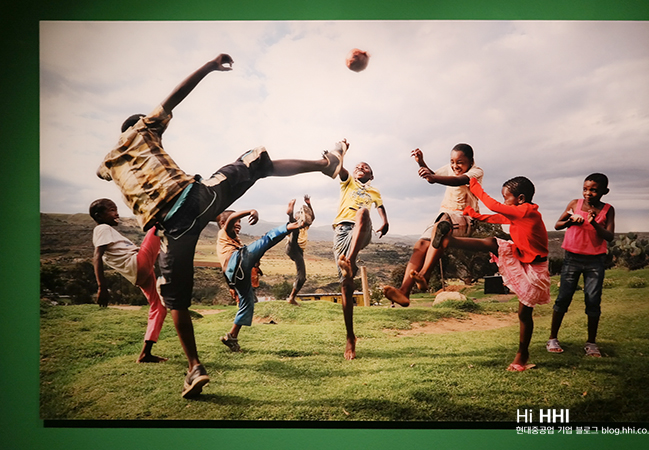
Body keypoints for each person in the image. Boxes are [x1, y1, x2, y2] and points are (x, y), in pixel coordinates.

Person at [96, 53, 347, 398]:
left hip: (169, 230)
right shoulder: (144, 127)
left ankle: (194, 367)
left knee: (176, 304)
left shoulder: (108, 161)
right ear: (140, 124)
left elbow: (104, 170)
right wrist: (210, 66)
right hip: (194, 199)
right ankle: (325, 164)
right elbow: (175, 96)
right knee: (256, 162)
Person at [450, 176, 551, 371]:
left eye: (506, 198)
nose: (504, 202)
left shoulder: (528, 212)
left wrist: (474, 185)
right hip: (520, 257)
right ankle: (449, 241)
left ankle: (523, 353)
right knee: (493, 242)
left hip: (535, 269)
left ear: (520, 198)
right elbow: (498, 217)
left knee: (524, 313)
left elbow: (494, 206)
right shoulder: (520, 212)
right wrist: (476, 215)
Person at [383, 144, 483, 306]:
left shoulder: (476, 172)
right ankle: (404, 292)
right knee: (420, 244)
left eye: (460, 162)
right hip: (443, 217)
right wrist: (421, 163)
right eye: (452, 161)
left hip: (465, 218)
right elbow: (432, 176)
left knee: (442, 224)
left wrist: (434, 179)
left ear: (471, 161)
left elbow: (458, 180)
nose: (455, 166)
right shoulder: (449, 168)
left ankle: (424, 274)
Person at [216, 208, 307, 352]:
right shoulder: (225, 231)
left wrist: (231, 286)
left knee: (247, 303)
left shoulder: (230, 241)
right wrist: (251, 211)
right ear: (223, 223)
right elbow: (231, 219)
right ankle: (296, 225)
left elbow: (224, 269)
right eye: (237, 222)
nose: (239, 224)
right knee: (268, 238)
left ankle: (232, 336)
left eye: (240, 222)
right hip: (237, 261)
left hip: (234, 273)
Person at [89, 198, 167, 364]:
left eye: (116, 209)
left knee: (159, 306)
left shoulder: (108, 230)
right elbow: (97, 256)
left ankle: (145, 354)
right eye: (111, 210)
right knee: (157, 223)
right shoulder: (102, 228)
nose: (116, 213)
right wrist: (102, 286)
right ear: (99, 215)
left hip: (138, 275)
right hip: (138, 265)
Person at [546, 173, 615, 357]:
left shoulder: (608, 209)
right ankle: (552, 338)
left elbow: (609, 236)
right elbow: (558, 225)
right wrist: (571, 221)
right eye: (585, 189)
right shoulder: (574, 204)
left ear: (604, 191)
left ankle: (591, 343)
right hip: (572, 258)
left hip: (595, 261)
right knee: (563, 297)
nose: (588, 193)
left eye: (593, 190)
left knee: (593, 300)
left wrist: (594, 223)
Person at [332, 154, 392, 360]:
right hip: (342, 232)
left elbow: (381, 208)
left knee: (363, 212)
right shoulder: (348, 182)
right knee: (346, 288)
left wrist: (385, 221)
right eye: (358, 166)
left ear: (371, 175)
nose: (361, 167)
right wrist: (341, 153)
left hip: (362, 230)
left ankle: (350, 260)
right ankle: (350, 336)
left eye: (365, 167)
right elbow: (340, 169)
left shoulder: (374, 191)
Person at [285, 196, 315, 305]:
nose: (302, 220)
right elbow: (294, 223)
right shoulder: (293, 224)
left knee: (302, 277)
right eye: (300, 218)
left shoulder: (306, 226)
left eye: (302, 218)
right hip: (292, 247)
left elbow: (312, 218)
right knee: (294, 229)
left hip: (299, 251)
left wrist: (309, 204)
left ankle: (292, 298)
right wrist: (291, 215)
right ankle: (289, 213)